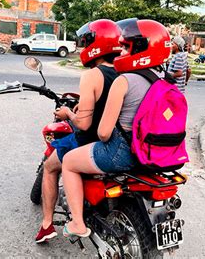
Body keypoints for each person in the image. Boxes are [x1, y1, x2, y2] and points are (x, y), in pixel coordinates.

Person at [61, 18, 171, 237]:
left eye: (126, 46)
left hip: (124, 153)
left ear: (141, 48)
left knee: (69, 162)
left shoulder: (125, 80)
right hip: (158, 154)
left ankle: (78, 224)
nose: (121, 51)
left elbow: (102, 133)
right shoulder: (166, 80)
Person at [34, 19, 122, 243]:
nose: (83, 48)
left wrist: (68, 115)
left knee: (49, 167)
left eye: (86, 42)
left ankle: (47, 225)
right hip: (115, 141)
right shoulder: (123, 73)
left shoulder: (92, 75)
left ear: (96, 45)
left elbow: (83, 124)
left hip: (87, 141)